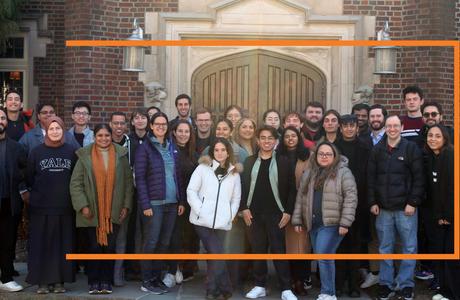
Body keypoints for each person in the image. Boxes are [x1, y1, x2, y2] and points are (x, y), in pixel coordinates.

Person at [70, 123, 133, 294]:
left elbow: (128, 183)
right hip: (92, 211)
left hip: (113, 210)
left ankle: (106, 282)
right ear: (94, 137)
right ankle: (93, 281)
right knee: (94, 247)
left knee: (109, 248)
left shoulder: (121, 155)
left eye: (107, 135)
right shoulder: (85, 156)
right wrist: (82, 205)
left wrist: (126, 206)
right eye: (100, 136)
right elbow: (76, 184)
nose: (104, 139)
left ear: (111, 136)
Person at [367, 115, 424, 300]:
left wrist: (413, 202)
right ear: (385, 127)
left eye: (395, 125)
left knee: (409, 248)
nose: (392, 129)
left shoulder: (410, 148)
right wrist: (372, 202)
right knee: (385, 248)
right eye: (389, 126)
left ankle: (406, 285)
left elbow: (419, 178)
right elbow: (371, 179)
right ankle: (386, 284)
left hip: (405, 209)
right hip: (383, 209)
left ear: (402, 127)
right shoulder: (377, 150)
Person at [292, 141, 357, 300]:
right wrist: (297, 220)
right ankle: (329, 292)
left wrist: (345, 222)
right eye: (321, 154)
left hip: (333, 224)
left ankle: (329, 293)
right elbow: (301, 197)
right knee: (325, 257)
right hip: (313, 224)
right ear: (316, 156)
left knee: (323, 255)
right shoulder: (309, 173)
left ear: (334, 156)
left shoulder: (343, 172)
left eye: (328, 154)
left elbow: (351, 198)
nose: (324, 157)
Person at [241, 126, 297, 300]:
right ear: (258, 141)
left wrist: (288, 212)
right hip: (254, 214)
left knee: (279, 250)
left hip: (276, 214)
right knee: (258, 250)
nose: (266, 141)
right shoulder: (249, 161)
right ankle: (259, 285)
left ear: (275, 141)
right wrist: (244, 208)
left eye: (270, 138)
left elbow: (291, 190)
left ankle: (286, 288)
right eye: (263, 138)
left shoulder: (284, 161)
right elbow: (242, 187)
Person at [134, 112, 185, 295]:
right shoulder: (145, 148)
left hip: (171, 204)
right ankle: (147, 280)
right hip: (154, 204)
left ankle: (156, 278)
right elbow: (139, 178)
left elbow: (177, 175)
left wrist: (181, 200)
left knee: (163, 243)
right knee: (151, 242)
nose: (161, 127)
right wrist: (145, 205)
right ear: (152, 126)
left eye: (164, 124)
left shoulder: (171, 147)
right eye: (158, 124)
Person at [25, 116, 77, 294]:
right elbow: (29, 177)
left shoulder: (71, 151)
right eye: (52, 128)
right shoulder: (36, 152)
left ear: (63, 131)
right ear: (46, 130)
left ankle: (59, 282)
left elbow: (75, 179)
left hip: (64, 207)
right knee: (42, 245)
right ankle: (42, 283)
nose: (55, 131)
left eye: (58, 128)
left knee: (62, 246)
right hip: (41, 207)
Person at [187, 137, 242, 300]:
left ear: (228, 152)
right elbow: (191, 191)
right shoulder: (203, 168)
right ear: (212, 151)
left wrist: (229, 216)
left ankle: (219, 289)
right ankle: (217, 288)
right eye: (216, 150)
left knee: (214, 254)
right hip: (201, 220)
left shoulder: (234, 173)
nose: (220, 153)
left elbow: (236, 199)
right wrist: (201, 210)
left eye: (223, 150)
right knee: (216, 252)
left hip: (222, 223)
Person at [334, 114, 371, 297]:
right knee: (339, 246)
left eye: (352, 125)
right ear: (340, 128)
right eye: (345, 125)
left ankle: (354, 286)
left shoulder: (366, 148)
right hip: (337, 203)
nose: (349, 128)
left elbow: (370, 176)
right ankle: (339, 284)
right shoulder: (334, 148)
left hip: (360, 204)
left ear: (357, 128)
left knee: (355, 246)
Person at [424, 125, 458, 300]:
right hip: (437, 216)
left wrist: (447, 216)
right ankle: (444, 290)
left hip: (451, 217)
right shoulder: (432, 157)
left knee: (451, 255)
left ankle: (453, 293)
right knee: (441, 252)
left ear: (445, 139)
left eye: (437, 136)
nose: (433, 139)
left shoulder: (450, 156)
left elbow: (453, 189)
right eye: (430, 135)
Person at [163, 120, 198, 287]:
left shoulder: (194, 154)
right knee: (174, 237)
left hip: (191, 204)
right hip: (175, 202)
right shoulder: (168, 151)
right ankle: (172, 269)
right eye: (180, 131)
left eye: (187, 131)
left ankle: (186, 269)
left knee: (189, 237)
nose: (184, 134)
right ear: (174, 132)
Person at [277, 126, 311, 296]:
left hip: (301, 206)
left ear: (299, 138)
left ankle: (300, 280)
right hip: (281, 206)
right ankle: (287, 279)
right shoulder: (278, 156)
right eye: (287, 136)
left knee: (300, 246)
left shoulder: (307, 157)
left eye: (293, 136)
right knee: (285, 246)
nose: (290, 139)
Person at [0, 108, 27, 293]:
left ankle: (6, 277)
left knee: (8, 241)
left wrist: (20, 183)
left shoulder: (16, 147)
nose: (0, 121)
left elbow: (26, 171)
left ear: (6, 122)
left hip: (9, 201)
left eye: (2, 118)